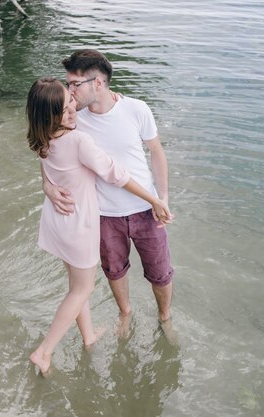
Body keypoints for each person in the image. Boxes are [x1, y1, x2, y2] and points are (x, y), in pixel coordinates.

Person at [26, 77, 172, 375]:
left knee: (75, 288)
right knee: (81, 290)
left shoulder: (44, 137)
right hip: (78, 225)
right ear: (52, 114)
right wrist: (154, 199)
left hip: (57, 221)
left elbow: (49, 164)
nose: (73, 110)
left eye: (71, 102)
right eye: (67, 107)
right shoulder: (78, 139)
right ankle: (44, 351)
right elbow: (115, 174)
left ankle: (89, 337)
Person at [43, 49, 175, 330]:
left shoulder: (136, 109)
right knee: (114, 271)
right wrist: (48, 186)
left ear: (98, 84)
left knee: (161, 273)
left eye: (75, 85)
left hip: (146, 210)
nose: (70, 92)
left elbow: (156, 152)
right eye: (68, 84)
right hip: (102, 215)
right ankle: (125, 315)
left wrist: (162, 197)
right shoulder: (73, 119)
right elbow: (49, 148)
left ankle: (165, 318)